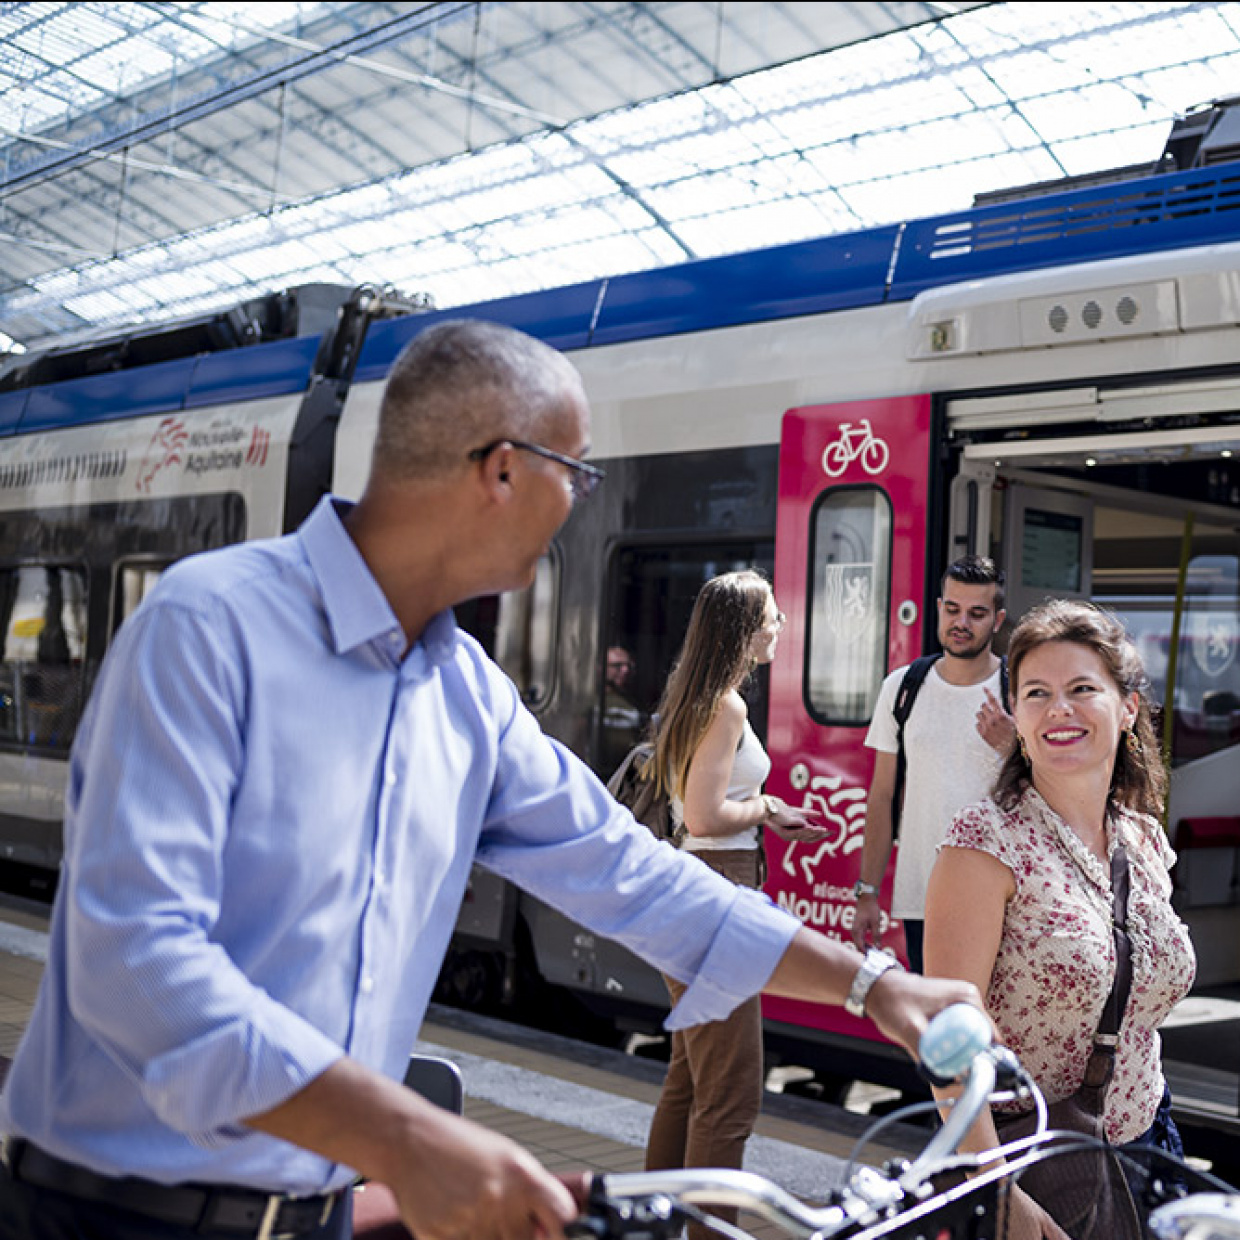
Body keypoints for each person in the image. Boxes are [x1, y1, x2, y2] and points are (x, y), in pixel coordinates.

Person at [0, 319, 979, 1240]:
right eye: (578, 473)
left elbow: (630, 871)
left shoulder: (466, 694)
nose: (580, 501)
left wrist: (872, 984)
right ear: (503, 469)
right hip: (114, 1213)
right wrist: (410, 1140)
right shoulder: (209, 627)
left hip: (315, 1212)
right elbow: (139, 966)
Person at [924, 599, 1197, 1239]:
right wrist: (998, 1192)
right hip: (1038, 1168)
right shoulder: (984, 841)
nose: (1058, 710)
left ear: (1127, 707)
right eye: (1037, 693)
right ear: (1015, 716)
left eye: (1082, 689)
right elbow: (948, 1044)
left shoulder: (1144, 840)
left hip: (1152, 1146)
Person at [643, 570, 830, 1240]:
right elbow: (705, 812)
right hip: (715, 887)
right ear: (743, 630)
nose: (780, 626)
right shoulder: (727, 707)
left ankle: (655, 1222)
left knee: (690, 1079)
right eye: (772, 616)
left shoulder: (693, 693)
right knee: (731, 1094)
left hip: (694, 886)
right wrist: (772, 808)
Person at [851, 554, 1014, 972]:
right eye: (953, 609)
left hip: (1002, 901)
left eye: (977, 613)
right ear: (939, 608)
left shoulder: (1018, 691)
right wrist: (867, 893)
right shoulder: (903, 688)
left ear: (997, 621)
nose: (962, 622)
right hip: (921, 894)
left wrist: (1015, 748)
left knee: (991, 1031)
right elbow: (883, 796)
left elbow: (1054, 789)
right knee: (934, 1031)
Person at [599, 644, 645, 778]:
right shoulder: (592, 702)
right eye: (617, 666)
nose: (625, 670)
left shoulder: (635, 703)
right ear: (601, 668)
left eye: (629, 666)